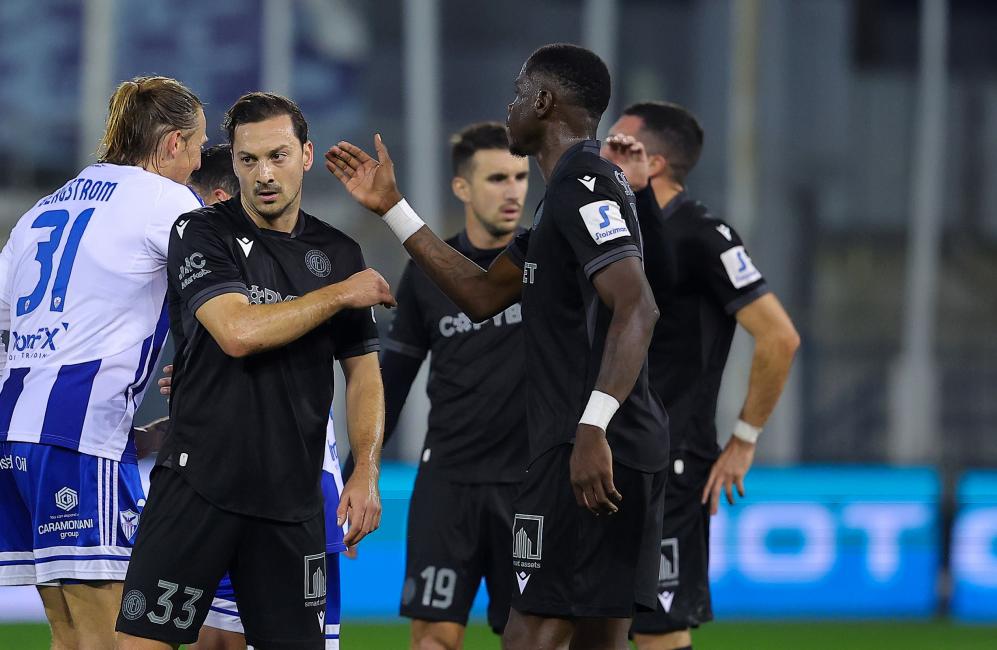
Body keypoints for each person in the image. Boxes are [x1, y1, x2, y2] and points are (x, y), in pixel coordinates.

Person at [327, 44, 668, 650]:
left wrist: (593, 426)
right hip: (608, 445)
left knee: (529, 631)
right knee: (598, 636)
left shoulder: (581, 183)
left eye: (518, 94)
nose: (510, 107)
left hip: (585, 447)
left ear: (544, 102)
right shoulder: (569, 194)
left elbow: (638, 305)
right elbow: (481, 293)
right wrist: (393, 209)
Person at [115, 92, 391, 650]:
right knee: (141, 645)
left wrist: (366, 471)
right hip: (197, 485)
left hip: (291, 501)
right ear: (234, 163)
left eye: (278, 156)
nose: (264, 174)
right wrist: (340, 295)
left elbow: (364, 374)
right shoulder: (199, 231)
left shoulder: (339, 253)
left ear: (306, 155)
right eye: (248, 160)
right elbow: (237, 333)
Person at [0, 76, 205, 650]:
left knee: (70, 634)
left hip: (15, 433)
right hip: (78, 435)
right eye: (197, 148)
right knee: (121, 635)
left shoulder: (44, 209)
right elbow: (221, 299)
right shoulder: (166, 200)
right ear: (173, 143)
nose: (197, 165)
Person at [602, 102, 800, 650]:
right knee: (591, 624)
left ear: (654, 164)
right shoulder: (612, 232)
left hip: (672, 459)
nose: (603, 153)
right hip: (605, 454)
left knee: (658, 631)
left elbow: (779, 337)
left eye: (619, 144)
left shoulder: (703, 234)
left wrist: (744, 440)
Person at [342, 122, 530, 649]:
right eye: (497, 178)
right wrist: (359, 472)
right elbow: (393, 380)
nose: (513, 191)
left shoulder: (546, 266)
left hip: (530, 486)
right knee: (433, 641)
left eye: (520, 177)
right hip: (447, 485)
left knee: (533, 640)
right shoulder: (429, 273)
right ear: (462, 187)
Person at [175, 141, 348, 650]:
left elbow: (355, 369)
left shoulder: (299, 265)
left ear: (220, 200)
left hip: (296, 486)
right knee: (213, 639)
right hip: (224, 480)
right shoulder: (222, 279)